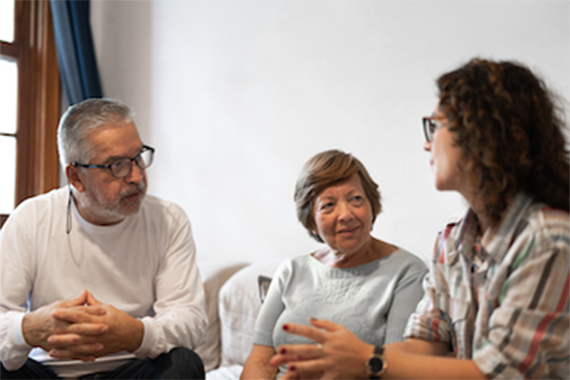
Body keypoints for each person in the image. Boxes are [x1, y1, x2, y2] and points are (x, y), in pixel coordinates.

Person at [270, 58, 570, 379]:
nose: (427, 143)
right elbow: (425, 342)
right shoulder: (452, 239)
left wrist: (368, 361)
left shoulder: (549, 239)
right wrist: (336, 361)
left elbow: (499, 373)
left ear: (479, 132)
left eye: (435, 125)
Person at [0, 98, 208, 379]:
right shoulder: (31, 219)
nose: (136, 176)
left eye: (138, 157)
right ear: (75, 177)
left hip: (128, 371)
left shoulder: (169, 220)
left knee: (184, 363)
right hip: (47, 373)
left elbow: (189, 320)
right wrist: (27, 328)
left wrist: (135, 334)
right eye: (117, 165)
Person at [240, 149, 428, 379]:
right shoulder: (291, 271)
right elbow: (260, 362)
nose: (346, 214)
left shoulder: (408, 272)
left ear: (372, 206)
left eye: (356, 199)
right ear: (311, 221)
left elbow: (397, 369)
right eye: (328, 205)